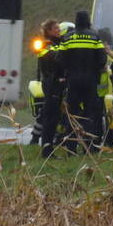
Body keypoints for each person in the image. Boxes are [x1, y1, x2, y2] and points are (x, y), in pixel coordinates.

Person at [60, 10, 106, 152]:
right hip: (91, 81)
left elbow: (60, 60)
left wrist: (68, 70)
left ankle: (71, 147)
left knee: (72, 114)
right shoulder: (95, 37)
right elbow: (102, 59)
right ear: (88, 21)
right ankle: (90, 147)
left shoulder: (67, 38)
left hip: (73, 80)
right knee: (90, 114)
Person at [37, 19, 69, 158]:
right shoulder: (45, 45)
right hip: (51, 85)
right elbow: (53, 61)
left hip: (58, 84)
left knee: (54, 118)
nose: (58, 30)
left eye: (58, 28)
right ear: (48, 31)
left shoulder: (60, 42)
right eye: (55, 28)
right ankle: (46, 150)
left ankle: (49, 148)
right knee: (50, 118)